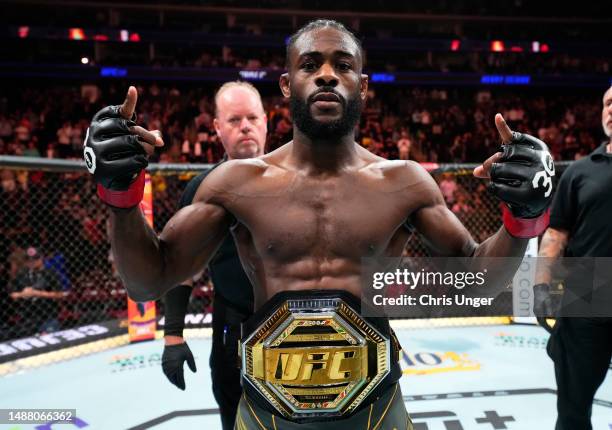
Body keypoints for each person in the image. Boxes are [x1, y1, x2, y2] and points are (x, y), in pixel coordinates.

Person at [84, 19, 554, 430]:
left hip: (375, 409)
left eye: (342, 65)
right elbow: (148, 281)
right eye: (311, 65)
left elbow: (475, 283)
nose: (327, 74)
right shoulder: (236, 183)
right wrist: (121, 195)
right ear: (287, 85)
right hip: (268, 410)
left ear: (363, 84)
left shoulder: (404, 181)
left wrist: (521, 219)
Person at [161, 81, 266, 430]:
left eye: (252, 117)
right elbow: (181, 265)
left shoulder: (296, 179)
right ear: (217, 128)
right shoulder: (201, 190)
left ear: (266, 121)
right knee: (231, 403)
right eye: (234, 120)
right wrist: (173, 334)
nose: (245, 126)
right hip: (233, 317)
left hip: (294, 318)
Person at [534, 86, 612, 430]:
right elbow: (556, 234)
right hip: (586, 295)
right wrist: (539, 288)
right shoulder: (581, 171)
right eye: (608, 102)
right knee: (573, 408)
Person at [9, 246, 66, 336]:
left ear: (41, 258)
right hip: (27, 319)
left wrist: (37, 293)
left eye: (35, 259)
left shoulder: (50, 272)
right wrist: (23, 294)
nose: (32, 262)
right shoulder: (22, 274)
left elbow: (60, 294)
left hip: (48, 317)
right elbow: (12, 294)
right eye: (29, 260)